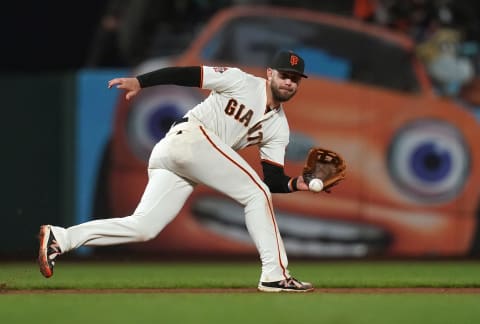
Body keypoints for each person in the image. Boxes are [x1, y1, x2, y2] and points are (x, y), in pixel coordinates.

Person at [38, 50, 316, 292]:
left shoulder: (279, 127)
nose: (289, 82)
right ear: (270, 73)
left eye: (295, 79)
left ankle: (60, 238)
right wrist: (141, 82)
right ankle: (275, 276)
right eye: (284, 75)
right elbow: (187, 74)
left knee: (144, 227)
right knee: (255, 194)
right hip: (189, 138)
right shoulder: (240, 81)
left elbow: (273, 180)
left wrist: (298, 184)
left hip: (183, 157)